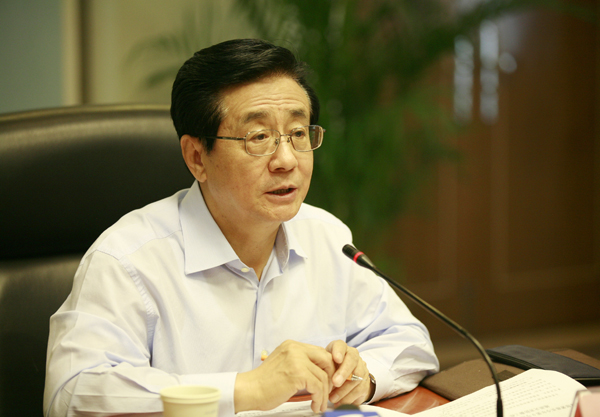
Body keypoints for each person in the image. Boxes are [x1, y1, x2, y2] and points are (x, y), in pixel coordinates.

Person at [43, 38, 439, 417]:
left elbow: (411, 343)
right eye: (259, 137)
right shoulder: (128, 261)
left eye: (298, 133)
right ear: (197, 157)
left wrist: (363, 376)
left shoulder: (326, 237)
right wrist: (246, 389)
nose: (287, 160)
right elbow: (74, 394)